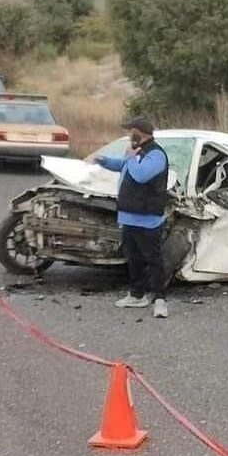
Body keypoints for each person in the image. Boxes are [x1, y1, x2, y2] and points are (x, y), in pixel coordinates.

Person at [92, 117, 170, 318]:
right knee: (133, 259)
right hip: (129, 216)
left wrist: (129, 158)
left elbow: (140, 175)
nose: (128, 134)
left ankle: (160, 300)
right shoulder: (136, 153)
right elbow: (126, 167)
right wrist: (105, 162)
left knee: (153, 260)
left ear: (140, 132)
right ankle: (137, 295)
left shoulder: (156, 155)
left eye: (131, 131)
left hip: (147, 218)